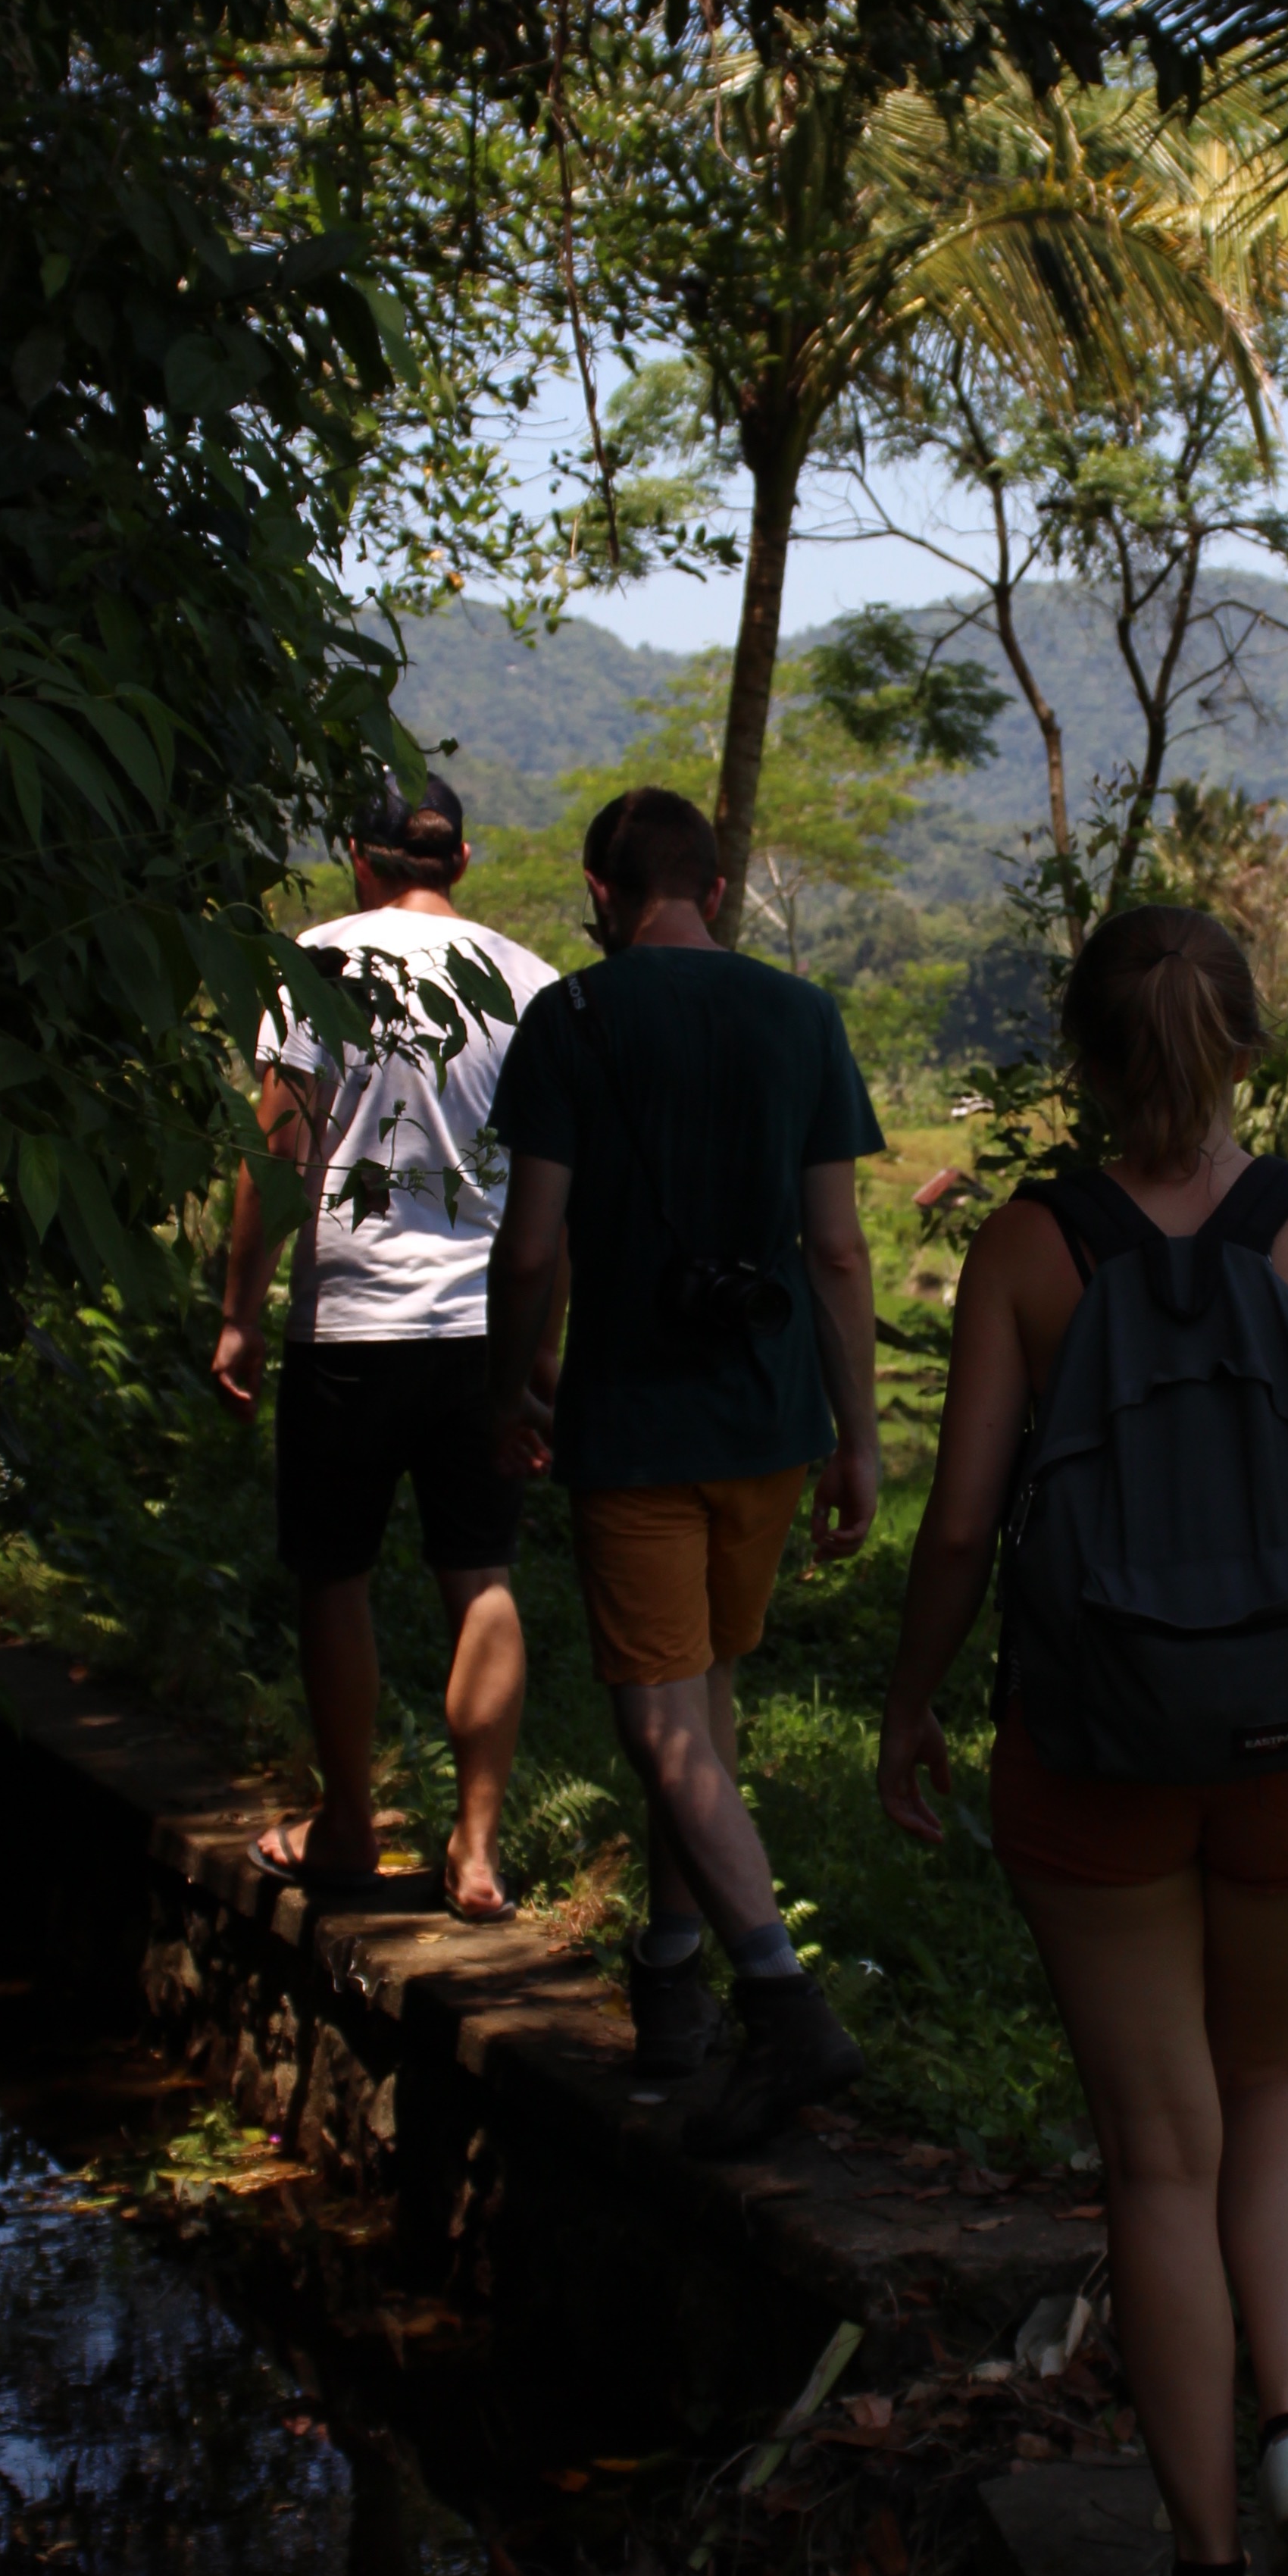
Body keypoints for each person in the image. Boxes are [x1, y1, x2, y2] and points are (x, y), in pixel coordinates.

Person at [875, 906, 1288, 2576]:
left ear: (1081, 1056)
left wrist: (912, 1704)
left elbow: (961, 1524)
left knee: (1161, 2156)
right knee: (1270, 2079)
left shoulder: (1028, 1246)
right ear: (1249, 1051)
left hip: (1092, 1749)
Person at [484, 784, 885, 2158]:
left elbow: (532, 1247)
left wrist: (510, 1386)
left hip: (637, 1426)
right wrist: (859, 1438)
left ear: (602, 893)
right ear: (715, 890)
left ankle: (780, 1999)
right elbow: (839, 1250)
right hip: (770, 1427)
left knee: (659, 1722)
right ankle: (669, 1977)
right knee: (703, 1700)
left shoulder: (573, 1018)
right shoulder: (805, 1017)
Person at [213, 775, 561, 1921]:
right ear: (462, 861)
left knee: (335, 1572)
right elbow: (555, 1193)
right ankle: (476, 1852)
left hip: (349, 1325)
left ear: (358, 859)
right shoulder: (532, 984)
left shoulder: (317, 961)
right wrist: (542, 1356)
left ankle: (351, 1827)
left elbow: (278, 1145)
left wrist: (240, 1310)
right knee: (482, 1573)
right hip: (481, 1330)